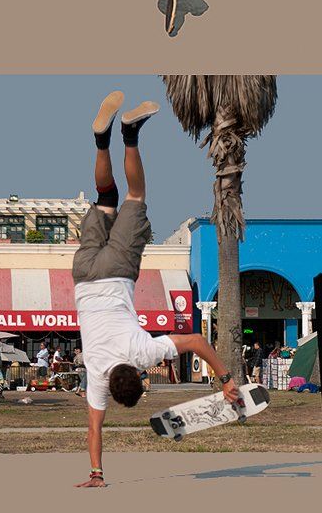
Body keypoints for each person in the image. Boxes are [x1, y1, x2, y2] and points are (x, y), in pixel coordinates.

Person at [73, 91, 240, 488]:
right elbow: (93, 431)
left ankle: (128, 134)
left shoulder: (143, 352)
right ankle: (100, 139)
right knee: (106, 198)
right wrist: (95, 473)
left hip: (116, 272)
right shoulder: (95, 375)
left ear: (138, 375)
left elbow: (198, 340)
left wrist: (226, 379)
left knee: (135, 196)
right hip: (82, 276)